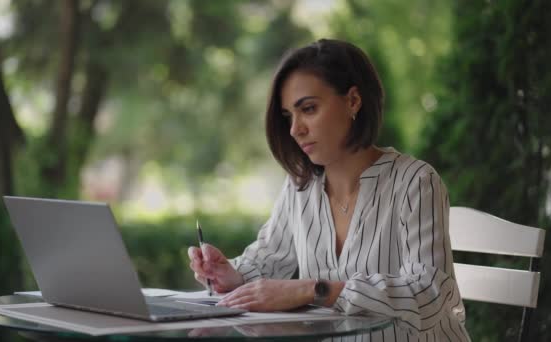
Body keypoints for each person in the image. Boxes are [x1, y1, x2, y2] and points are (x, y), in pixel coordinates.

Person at [188, 38, 470, 341]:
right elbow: (270, 258)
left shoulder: (415, 181)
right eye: (288, 117)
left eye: (308, 108)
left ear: (353, 101)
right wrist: (230, 273)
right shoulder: (301, 185)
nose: (296, 129)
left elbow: (431, 295)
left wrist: (314, 289)